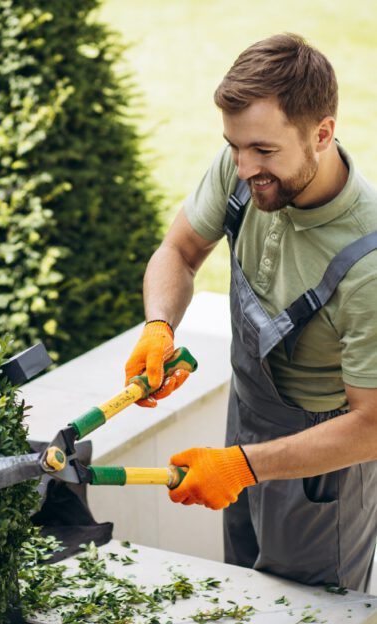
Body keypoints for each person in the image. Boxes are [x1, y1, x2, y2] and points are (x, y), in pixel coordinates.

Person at [124, 33, 377, 592]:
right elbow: (180, 251)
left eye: (263, 151)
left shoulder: (369, 263)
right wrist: (159, 326)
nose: (242, 167)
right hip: (246, 417)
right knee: (245, 594)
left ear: (323, 134)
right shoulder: (244, 168)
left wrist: (244, 465)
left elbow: (372, 425)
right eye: (234, 146)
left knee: (304, 622)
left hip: (321, 466)